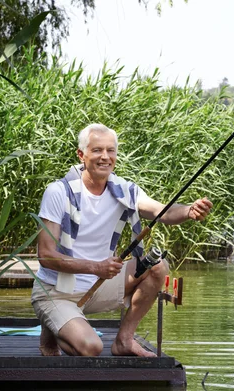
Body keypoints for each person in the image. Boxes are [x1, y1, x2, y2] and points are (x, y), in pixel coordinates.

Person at [32, 123, 212, 357]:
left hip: (98, 288)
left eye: (111, 151)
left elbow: (163, 212)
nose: (105, 157)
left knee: (158, 266)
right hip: (56, 290)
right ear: (81, 155)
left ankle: (124, 341)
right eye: (97, 150)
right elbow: (45, 255)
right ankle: (55, 325)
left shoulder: (124, 190)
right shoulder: (58, 192)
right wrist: (95, 267)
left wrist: (188, 211)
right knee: (91, 348)